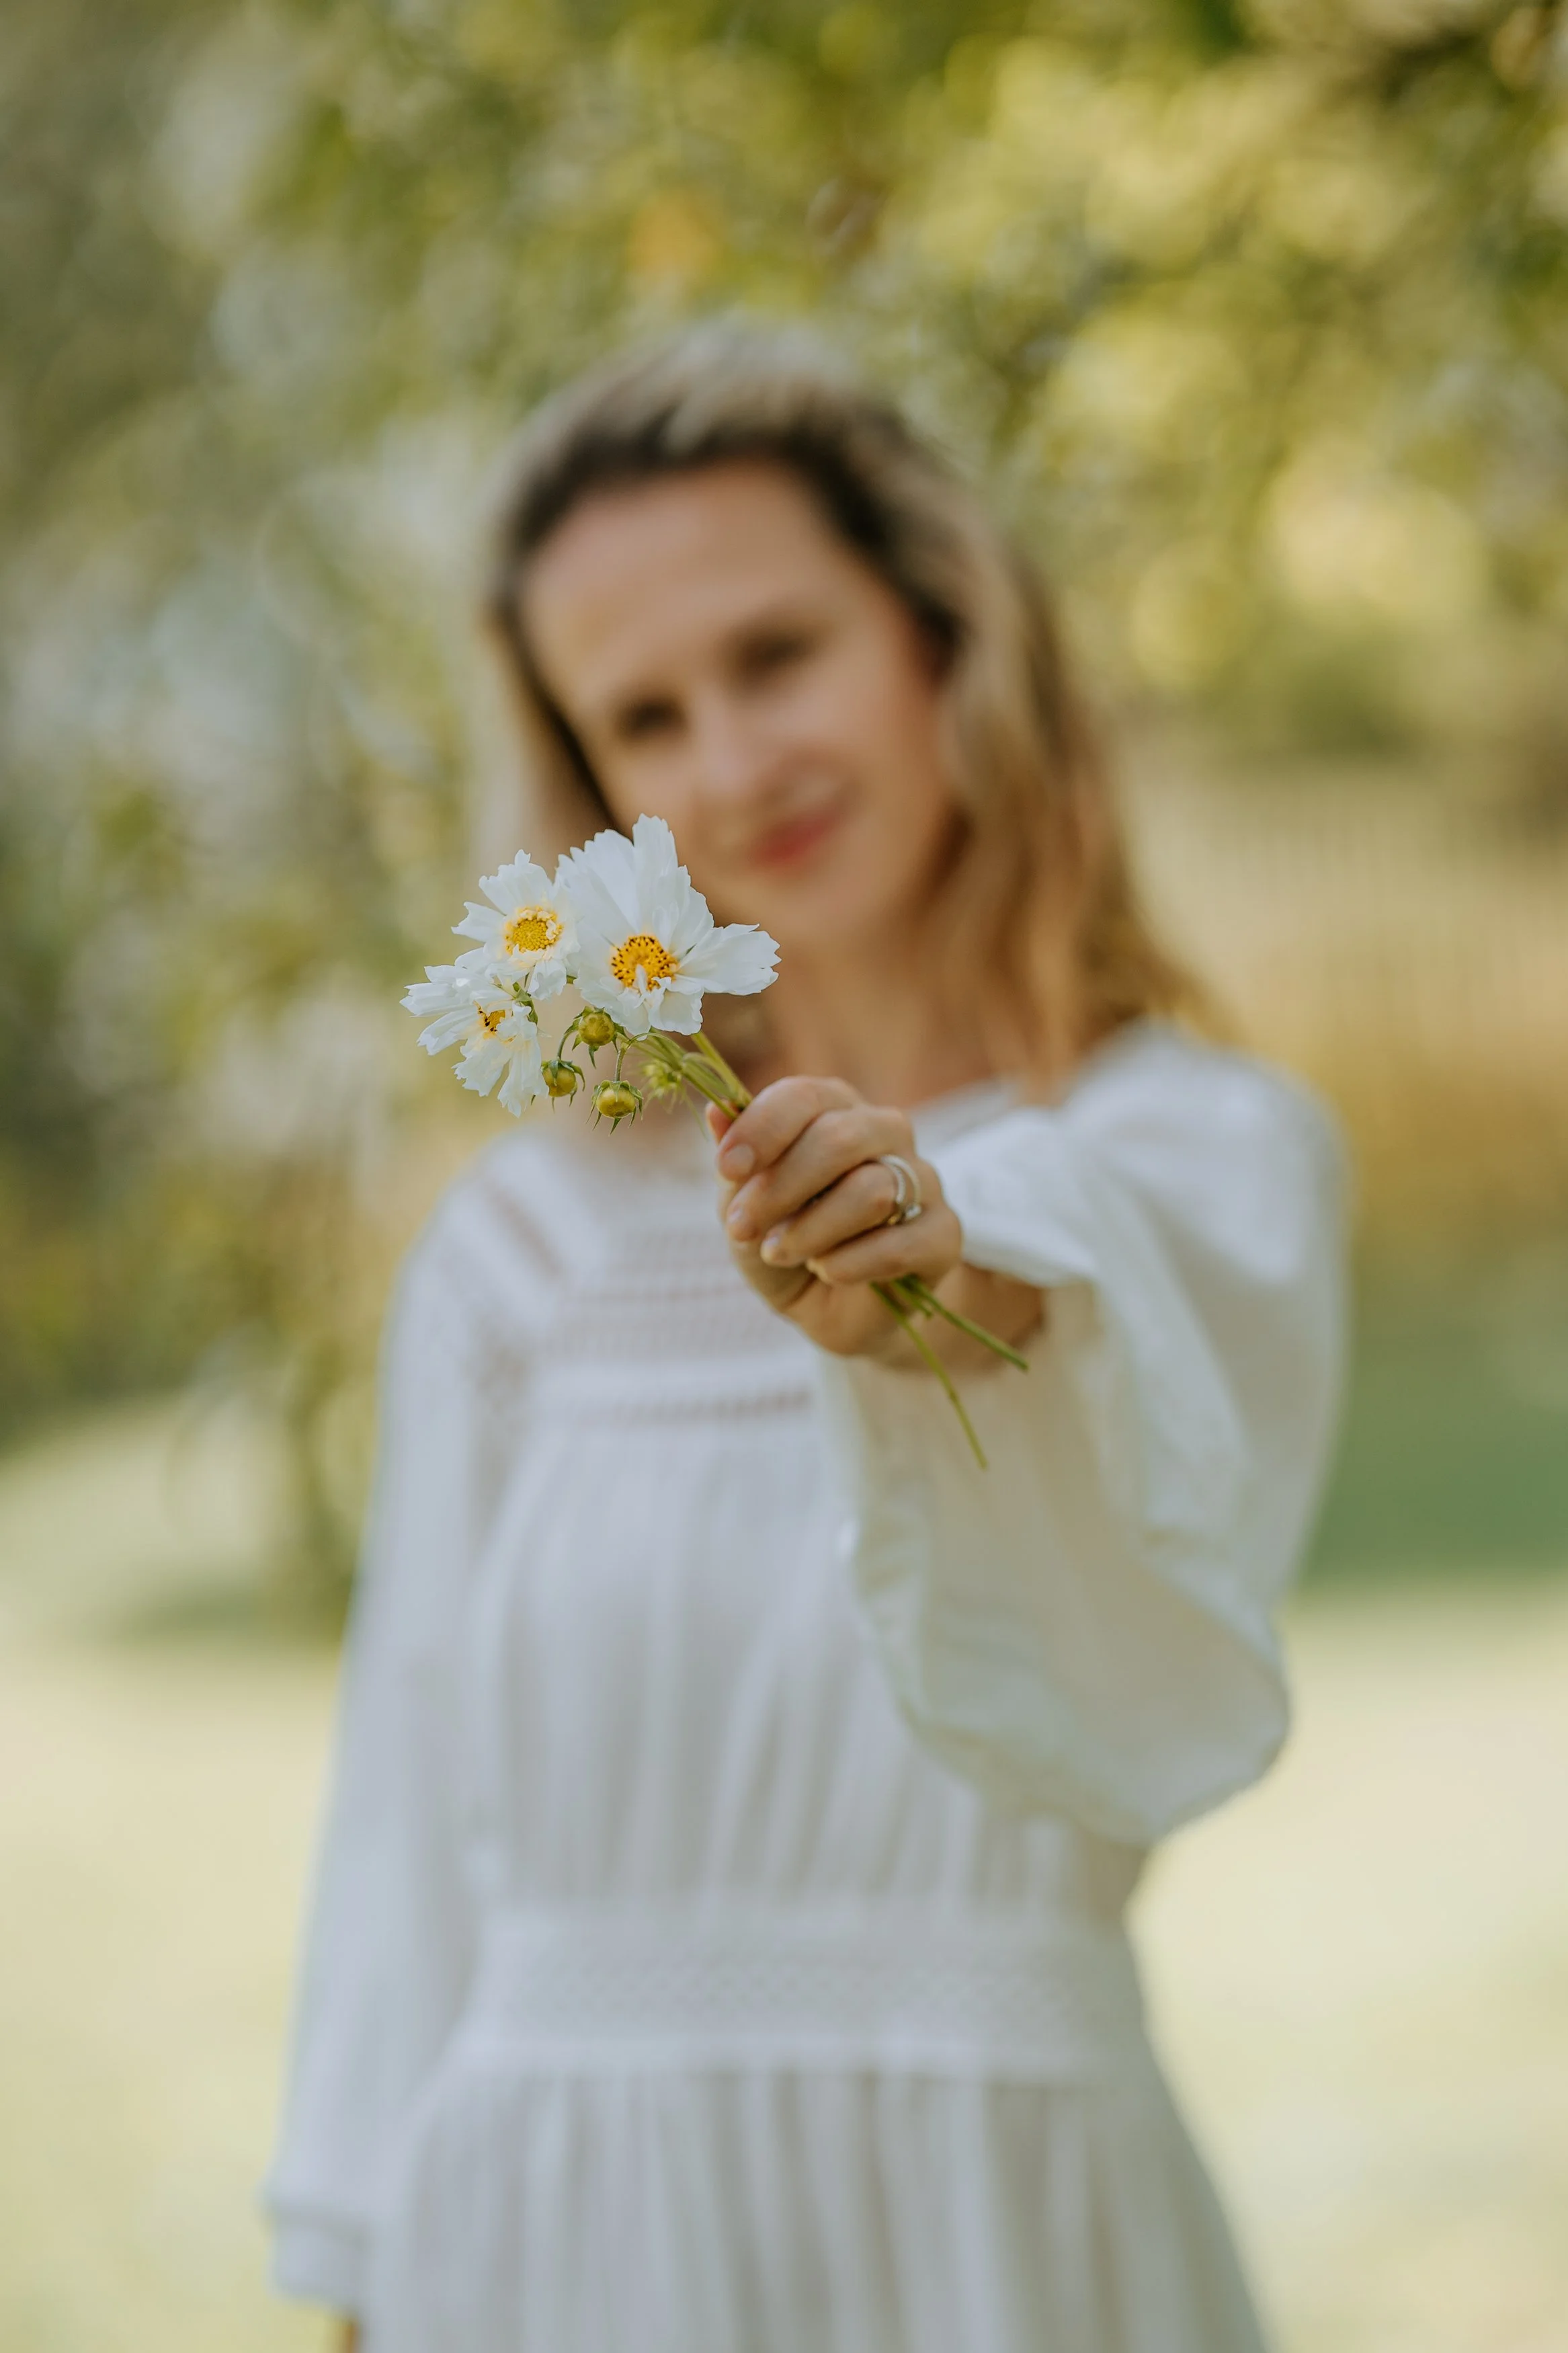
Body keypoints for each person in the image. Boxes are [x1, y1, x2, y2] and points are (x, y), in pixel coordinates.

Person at [264, 325, 1346, 2353]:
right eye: (643, 719)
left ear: (945, 637)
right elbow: (409, 1809)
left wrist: (920, 1276)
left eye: (776, 656)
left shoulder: (1199, 1154)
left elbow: (1100, 1321)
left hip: (997, 2235)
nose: (732, 765)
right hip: (555, 2241)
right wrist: (352, 2283)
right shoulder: (521, 1248)